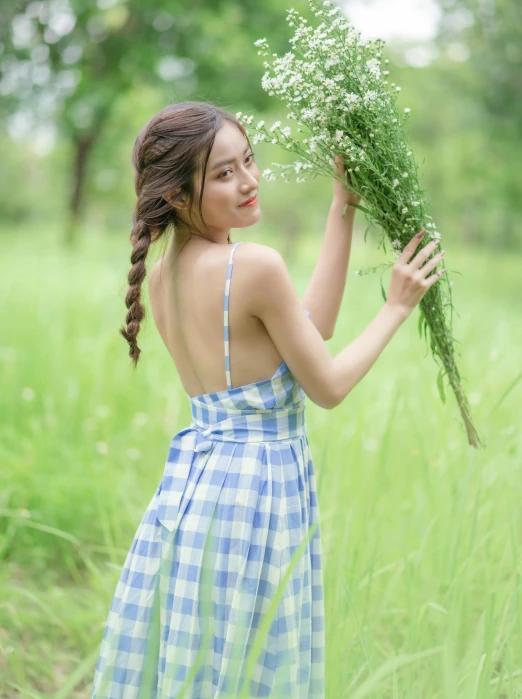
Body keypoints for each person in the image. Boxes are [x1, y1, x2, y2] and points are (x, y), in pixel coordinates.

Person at [91, 101, 445, 699]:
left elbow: (310, 330)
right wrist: (396, 306)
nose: (249, 182)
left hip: (197, 491)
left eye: (248, 161)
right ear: (178, 195)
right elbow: (326, 385)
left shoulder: (164, 275)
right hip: (256, 493)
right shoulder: (253, 265)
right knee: (251, 664)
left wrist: (343, 206)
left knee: (202, 658)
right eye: (224, 173)